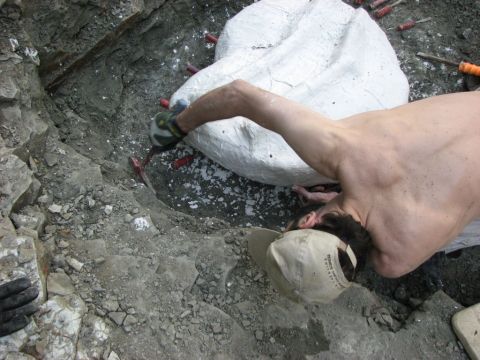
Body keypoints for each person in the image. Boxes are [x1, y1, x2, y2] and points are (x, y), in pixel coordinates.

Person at [150, 80, 480, 301]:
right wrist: (177, 125)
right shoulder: (345, 152)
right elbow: (241, 95)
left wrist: (342, 198)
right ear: (308, 220)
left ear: (310, 218)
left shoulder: (396, 259)